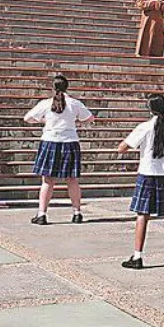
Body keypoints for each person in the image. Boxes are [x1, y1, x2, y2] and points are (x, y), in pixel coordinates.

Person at [119, 94, 164, 269]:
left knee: (143, 215)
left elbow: (122, 148)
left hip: (148, 173)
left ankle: (138, 256)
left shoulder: (144, 127)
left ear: (149, 109)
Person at [25, 75, 94, 225]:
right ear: (67, 86)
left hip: (50, 141)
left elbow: (28, 118)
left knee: (48, 180)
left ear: (53, 87)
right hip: (70, 141)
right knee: (72, 179)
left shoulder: (46, 103)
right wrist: (74, 122)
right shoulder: (75, 103)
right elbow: (89, 118)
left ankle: (42, 214)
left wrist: (44, 120)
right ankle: (77, 213)